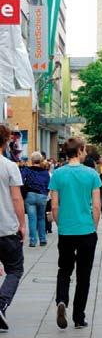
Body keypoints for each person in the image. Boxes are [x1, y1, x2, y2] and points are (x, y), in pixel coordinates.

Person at [49, 137, 101, 330]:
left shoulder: (58, 174)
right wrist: (93, 227)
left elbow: (54, 205)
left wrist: (60, 224)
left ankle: (62, 300)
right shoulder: (91, 174)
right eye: (84, 149)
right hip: (86, 229)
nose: (86, 152)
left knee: (64, 269)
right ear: (79, 151)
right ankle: (79, 317)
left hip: (66, 230)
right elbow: (96, 206)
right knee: (83, 275)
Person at [0, 124, 25, 332]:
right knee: (15, 269)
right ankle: (1, 303)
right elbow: (16, 198)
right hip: (6, 228)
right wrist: (22, 224)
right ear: (7, 141)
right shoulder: (9, 166)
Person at [21, 151, 50, 247]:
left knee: (32, 219)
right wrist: (45, 193)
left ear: (32, 160)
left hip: (30, 195)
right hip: (42, 196)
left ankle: (33, 241)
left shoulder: (27, 170)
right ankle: (42, 239)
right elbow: (48, 185)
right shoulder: (45, 172)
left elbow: (20, 179)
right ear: (41, 160)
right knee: (41, 218)